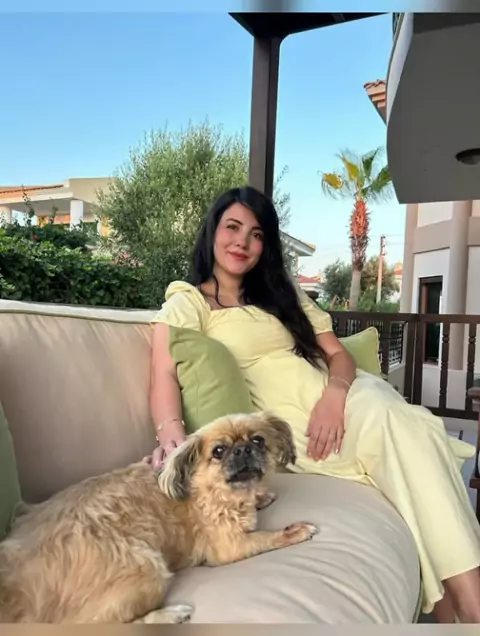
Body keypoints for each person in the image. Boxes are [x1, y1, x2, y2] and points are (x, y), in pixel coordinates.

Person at [147, 185, 480, 623]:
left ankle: (469, 609)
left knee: (396, 422)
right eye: (233, 227)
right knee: (415, 440)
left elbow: (338, 355)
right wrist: (171, 437)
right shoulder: (190, 301)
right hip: (296, 424)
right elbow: (164, 372)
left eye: (256, 234)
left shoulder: (282, 293)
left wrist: (335, 396)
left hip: (346, 397)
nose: (242, 242)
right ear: (212, 231)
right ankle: (464, 608)